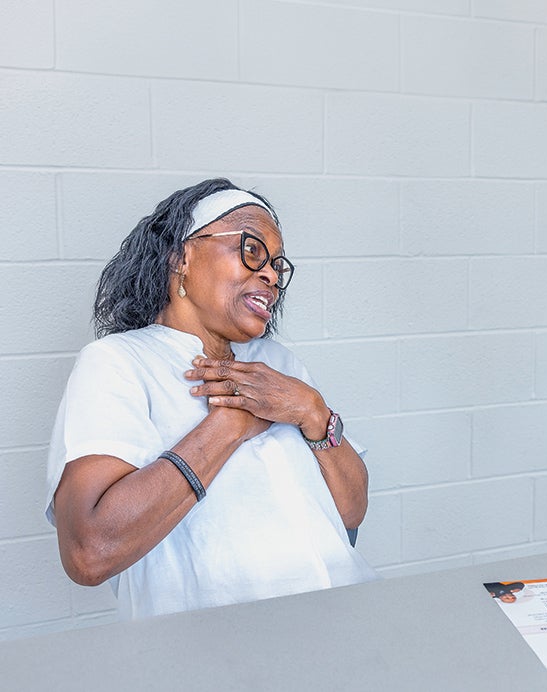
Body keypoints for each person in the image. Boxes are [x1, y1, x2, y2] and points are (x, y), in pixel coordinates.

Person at [45, 178, 378, 619]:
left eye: (278, 264)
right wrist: (231, 425)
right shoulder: (118, 363)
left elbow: (352, 513)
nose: (273, 275)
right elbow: (90, 551)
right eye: (252, 250)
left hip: (343, 618)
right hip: (210, 651)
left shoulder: (281, 365)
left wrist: (313, 411)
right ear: (182, 257)